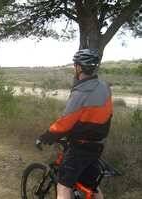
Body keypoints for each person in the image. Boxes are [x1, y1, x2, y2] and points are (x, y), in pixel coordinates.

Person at [37, 49, 113, 199]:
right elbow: (108, 115)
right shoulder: (105, 88)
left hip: (80, 146)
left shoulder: (80, 92)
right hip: (97, 145)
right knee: (92, 186)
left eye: (75, 65)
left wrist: (46, 136)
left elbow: (65, 122)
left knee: (63, 186)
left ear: (78, 67)